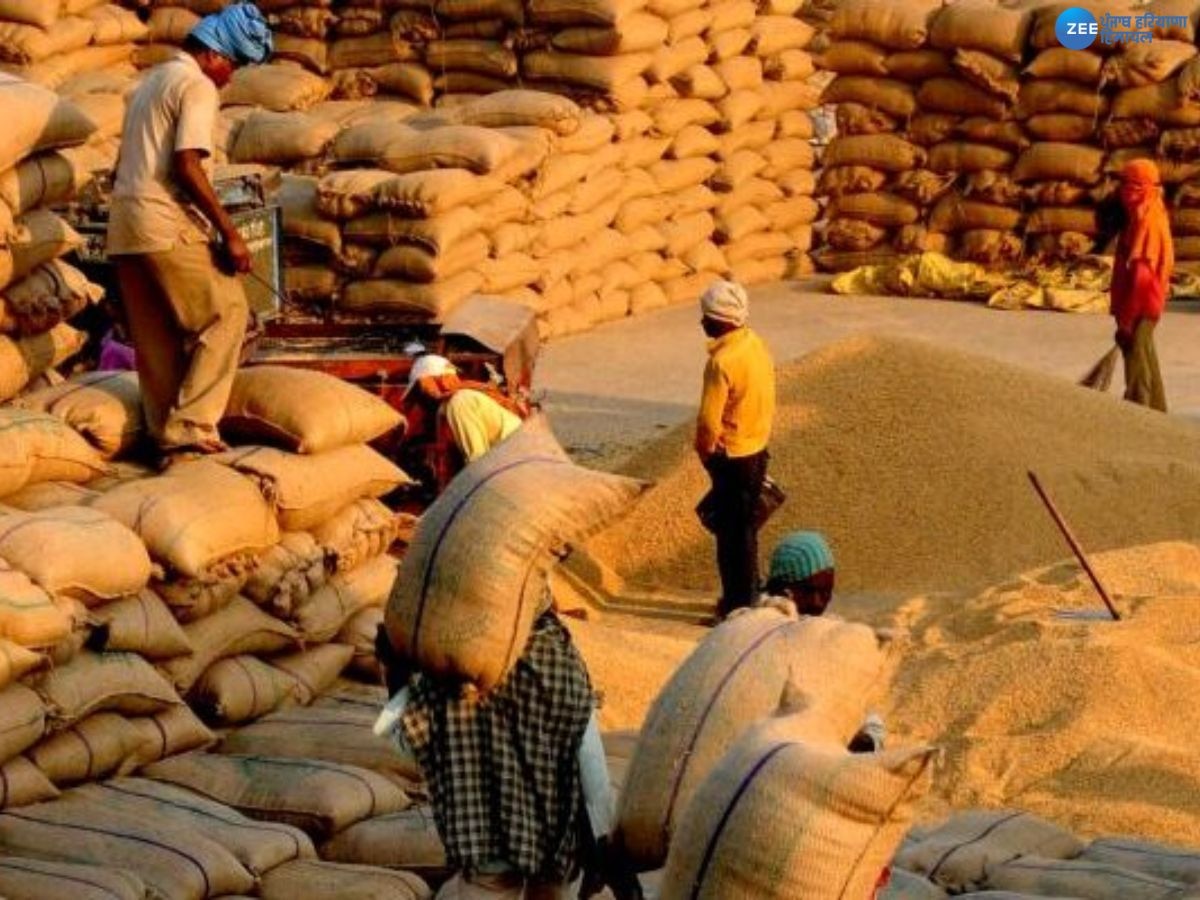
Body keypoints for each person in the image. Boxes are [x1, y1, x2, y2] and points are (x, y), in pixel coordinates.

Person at [373, 601, 642, 900]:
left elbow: (411, 747)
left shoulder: (445, 668)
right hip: (554, 838)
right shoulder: (552, 653)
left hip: (482, 838)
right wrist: (602, 838)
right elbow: (586, 754)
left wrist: (396, 679)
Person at [106, 5, 272, 465]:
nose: (230, 79)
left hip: (127, 227)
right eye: (233, 66)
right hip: (163, 221)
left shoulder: (151, 82)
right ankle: (192, 428)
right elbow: (186, 163)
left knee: (156, 337)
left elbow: (124, 166)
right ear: (215, 54)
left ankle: (165, 437)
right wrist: (228, 232)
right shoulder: (196, 84)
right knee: (227, 314)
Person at [760, 531, 886, 753]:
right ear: (782, 589)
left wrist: (866, 739)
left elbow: (866, 713)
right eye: (809, 591)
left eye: (826, 592)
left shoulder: (829, 637)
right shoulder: (755, 633)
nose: (818, 603)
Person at [694, 280, 776, 618]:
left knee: (731, 539)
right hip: (758, 448)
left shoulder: (722, 363)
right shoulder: (754, 343)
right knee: (745, 531)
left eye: (708, 318)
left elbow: (707, 423)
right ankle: (748, 593)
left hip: (732, 457)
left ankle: (738, 606)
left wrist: (705, 454)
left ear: (724, 321)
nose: (703, 324)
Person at [403, 354, 525, 491]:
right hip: (515, 462)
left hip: (515, 466)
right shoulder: (466, 396)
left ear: (434, 382)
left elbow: (476, 459)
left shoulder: (460, 402)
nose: (423, 398)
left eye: (422, 389)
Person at [1110, 158, 1173, 412]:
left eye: (1130, 184)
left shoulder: (1149, 223)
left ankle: (1139, 416)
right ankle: (1158, 413)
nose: (1123, 190)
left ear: (1143, 187)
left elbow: (1143, 278)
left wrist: (1127, 320)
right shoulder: (1139, 216)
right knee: (1145, 354)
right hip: (1139, 302)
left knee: (1137, 362)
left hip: (1143, 303)